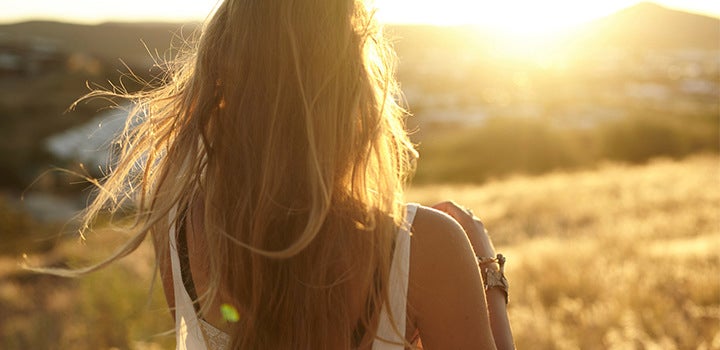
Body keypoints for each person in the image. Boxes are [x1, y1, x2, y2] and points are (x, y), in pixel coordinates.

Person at [63, 0, 515, 349]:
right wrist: (485, 267)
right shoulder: (427, 246)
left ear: (219, 84)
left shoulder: (180, 226)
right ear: (354, 87)